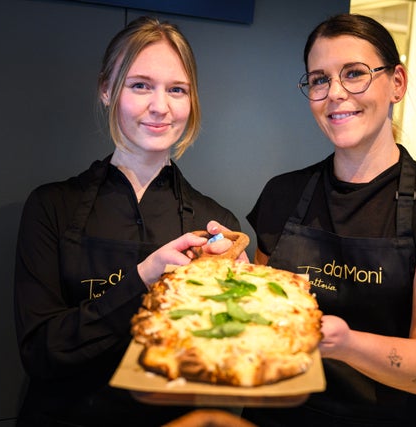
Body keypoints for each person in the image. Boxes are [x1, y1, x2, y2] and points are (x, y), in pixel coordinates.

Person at [241, 13, 416, 427]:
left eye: (354, 73)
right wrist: (227, 276)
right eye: (319, 79)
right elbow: (262, 318)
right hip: (272, 415)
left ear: (397, 83)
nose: (335, 93)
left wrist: (344, 343)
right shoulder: (281, 193)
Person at [14, 17, 244, 426]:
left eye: (177, 90)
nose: (161, 106)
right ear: (107, 90)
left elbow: (223, 363)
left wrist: (242, 302)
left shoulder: (216, 224)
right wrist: (143, 279)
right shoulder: (51, 207)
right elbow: (40, 352)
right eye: (141, 85)